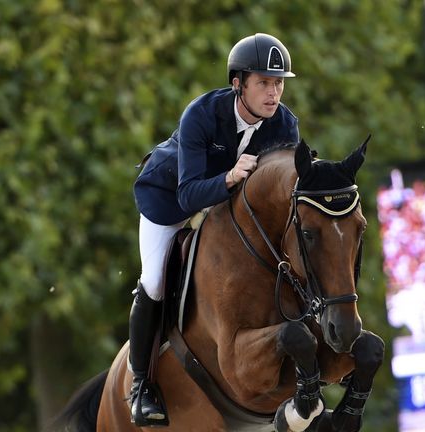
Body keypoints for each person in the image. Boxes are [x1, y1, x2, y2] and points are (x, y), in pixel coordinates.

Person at [128, 33, 299, 427]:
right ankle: (141, 386)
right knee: (153, 281)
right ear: (238, 83)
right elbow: (188, 196)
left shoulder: (285, 125)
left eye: (278, 83)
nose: (273, 93)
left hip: (226, 210)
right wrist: (228, 178)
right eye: (263, 83)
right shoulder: (201, 114)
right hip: (169, 199)